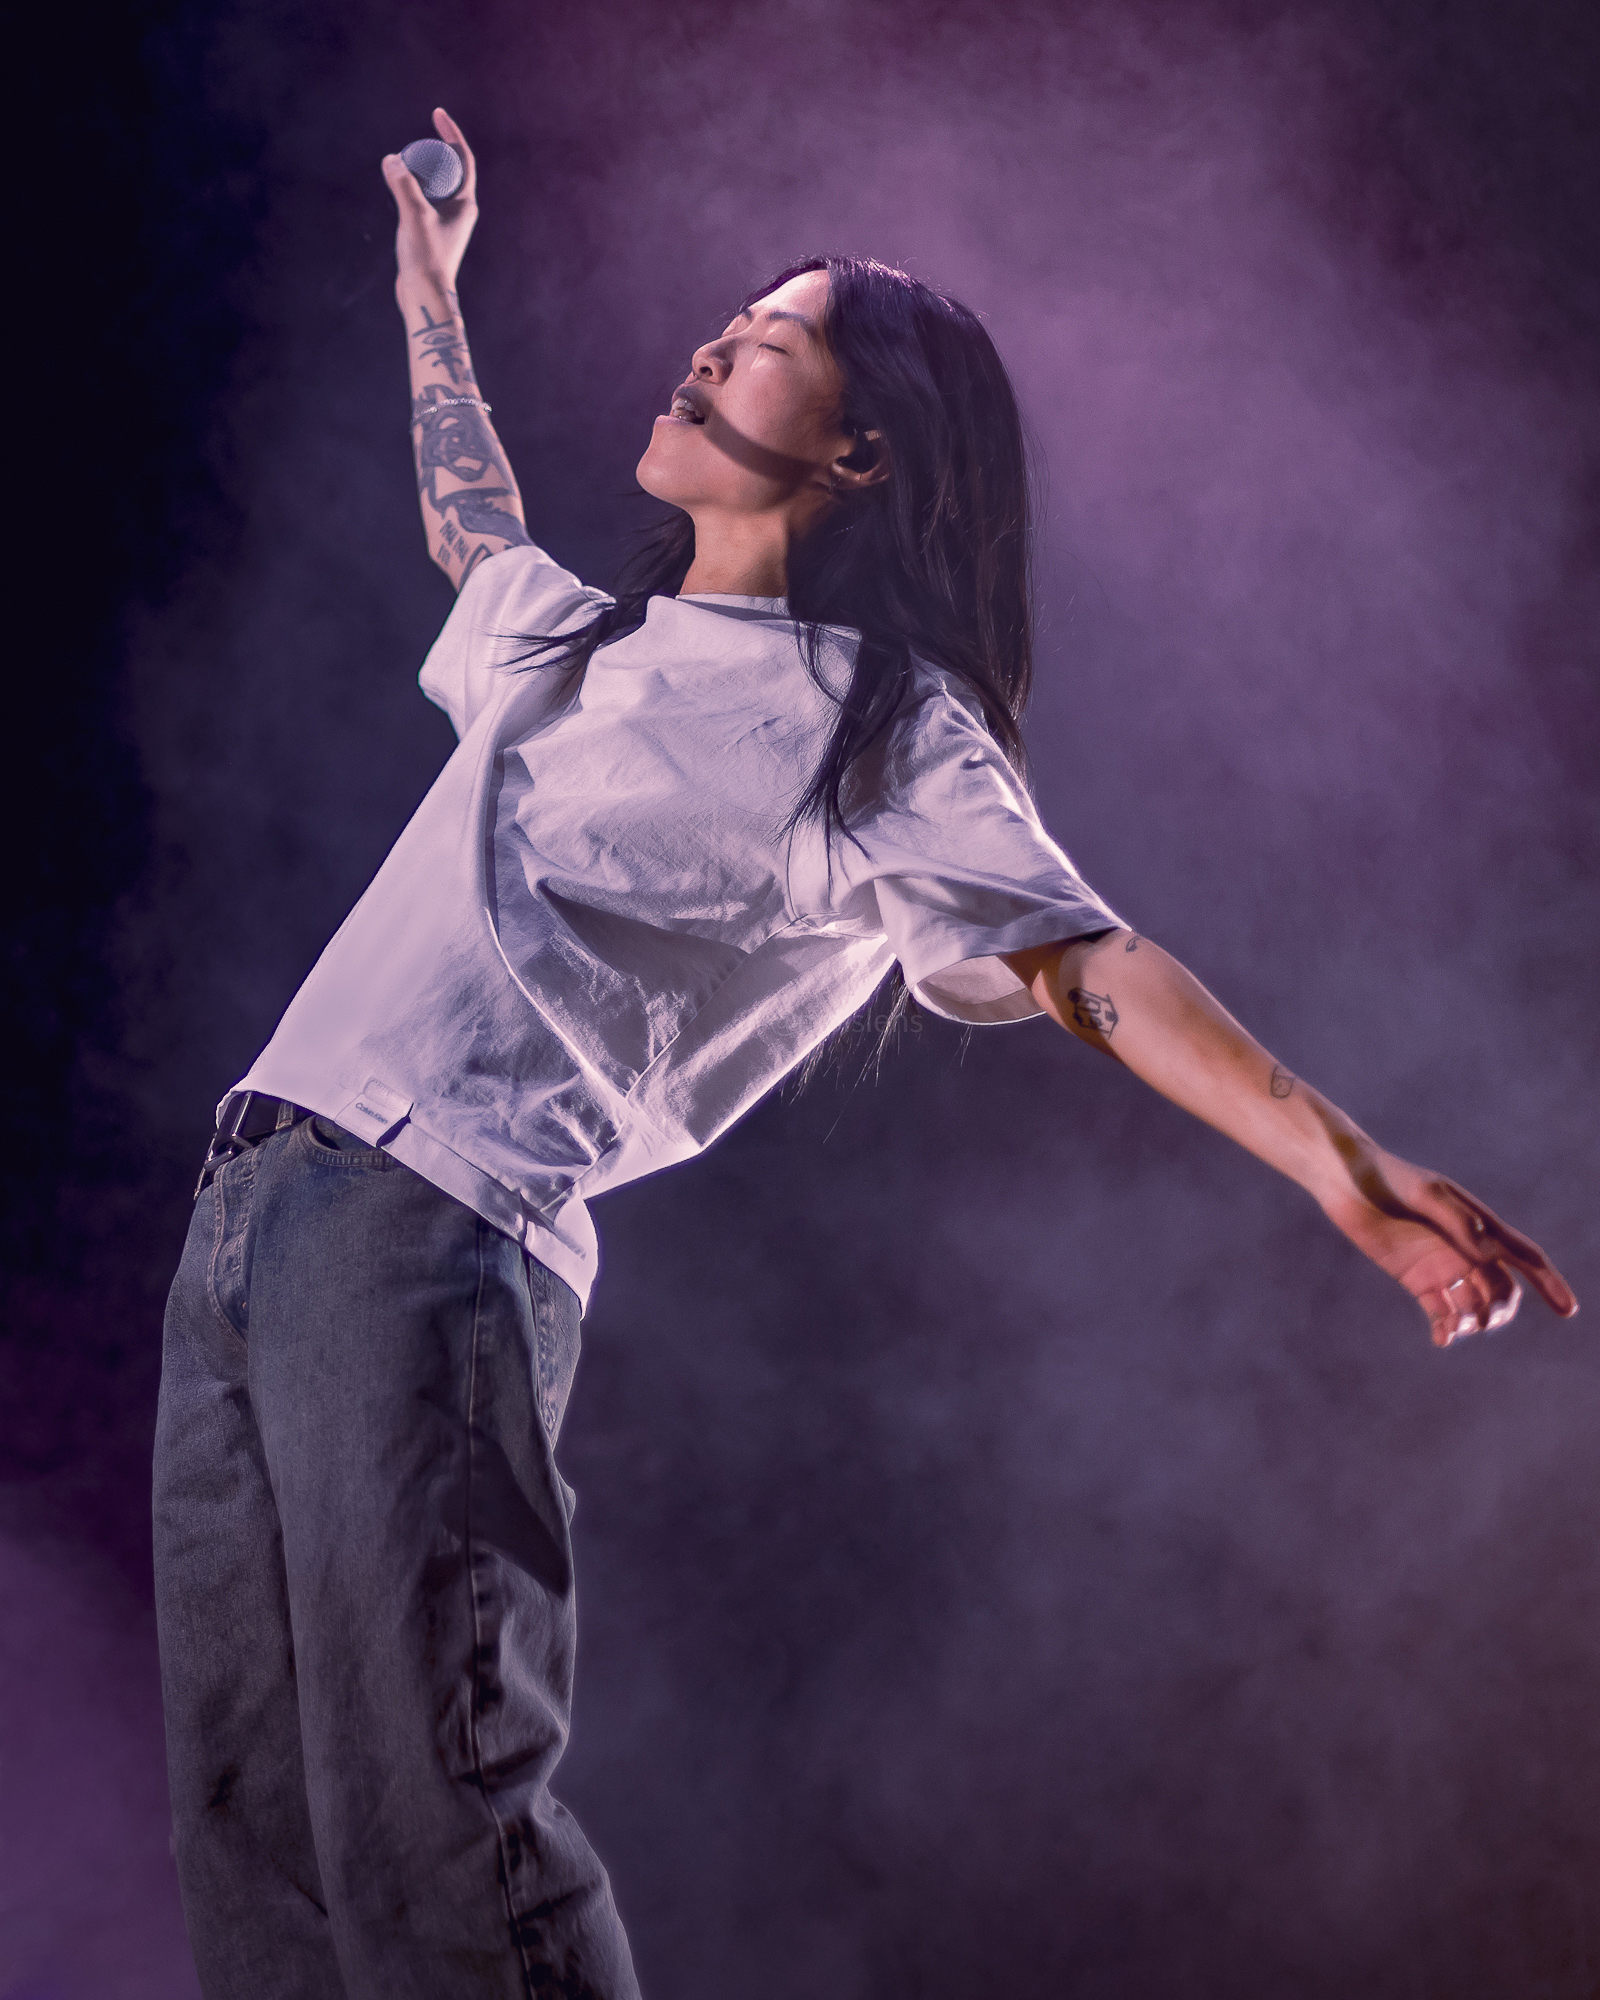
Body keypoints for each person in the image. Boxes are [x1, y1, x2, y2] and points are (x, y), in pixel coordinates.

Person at [151, 105, 1579, 2000]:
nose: (709, 346)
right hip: (251, 1215)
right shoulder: (566, 646)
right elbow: (467, 522)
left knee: (435, 1823)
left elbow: (1088, 961)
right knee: (256, 1840)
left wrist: (1344, 1160)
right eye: (725, 322)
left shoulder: (878, 726)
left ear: (862, 450)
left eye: (768, 340)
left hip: (426, 1232)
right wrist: (431, 288)